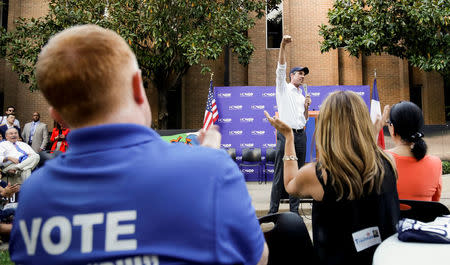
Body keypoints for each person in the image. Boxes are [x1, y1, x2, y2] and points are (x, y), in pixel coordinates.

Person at [9, 24, 268, 265]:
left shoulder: (34, 197)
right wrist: (209, 160)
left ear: (57, 116)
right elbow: (258, 257)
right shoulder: (211, 171)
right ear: (137, 85)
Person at [264, 90, 399, 265]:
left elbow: (290, 184)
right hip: (384, 258)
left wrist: (289, 138)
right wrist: (370, 136)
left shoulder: (318, 174)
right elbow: (363, 166)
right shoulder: (388, 163)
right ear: (363, 123)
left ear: (326, 126)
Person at [269, 35, 311, 214]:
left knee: (298, 175)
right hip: (286, 136)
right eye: (299, 73)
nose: (302, 76)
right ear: (291, 75)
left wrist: (307, 107)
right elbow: (280, 68)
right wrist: (282, 46)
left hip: (301, 135)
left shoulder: (302, 96)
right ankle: (272, 213)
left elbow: (305, 119)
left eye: (303, 74)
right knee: (280, 174)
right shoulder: (283, 88)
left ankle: (294, 214)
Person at [385, 101, 442, 201]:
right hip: (423, 217)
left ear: (392, 128)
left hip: (390, 217)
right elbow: (435, 202)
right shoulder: (435, 163)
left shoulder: (381, 160)